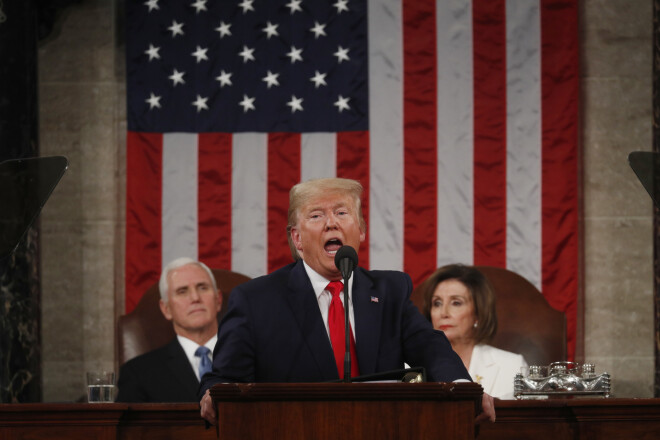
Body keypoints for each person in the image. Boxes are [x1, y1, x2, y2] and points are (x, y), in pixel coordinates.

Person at [199, 178, 495, 423]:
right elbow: (223, 380)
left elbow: (431, 348)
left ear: (361, 230)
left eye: (342, 213)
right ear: (297, 239)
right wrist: (215, 393)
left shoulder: (390, 289)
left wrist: (462, 387)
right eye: (316, 215)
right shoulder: (256, 300)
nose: (331, 223)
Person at [116, 257, 222, 402]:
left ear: (218, 300)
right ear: (166, 309)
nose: (195, 298)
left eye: (202, 288)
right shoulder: (139, 373)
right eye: (182, 291)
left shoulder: (253, 358)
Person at [420, 264, 527, 399]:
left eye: (456, 303)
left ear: (478, 313)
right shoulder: (408, 368)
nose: (443, 313)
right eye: (437, 303)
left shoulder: (511, 366)